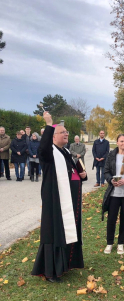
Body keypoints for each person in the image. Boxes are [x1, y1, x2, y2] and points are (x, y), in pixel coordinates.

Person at [31, 112, 87, 283]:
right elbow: (42, 148)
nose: (66, 134)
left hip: (68, 201)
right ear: (53, 136)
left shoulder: (65, 151)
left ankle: (65, 265)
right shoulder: (49, 153)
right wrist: (49, 124)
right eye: (63, 132)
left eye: (67, 132)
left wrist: (81, 175)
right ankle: (51, 271)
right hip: (54, 201)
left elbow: (73, 172)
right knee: (54, 233)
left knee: (65, 233)